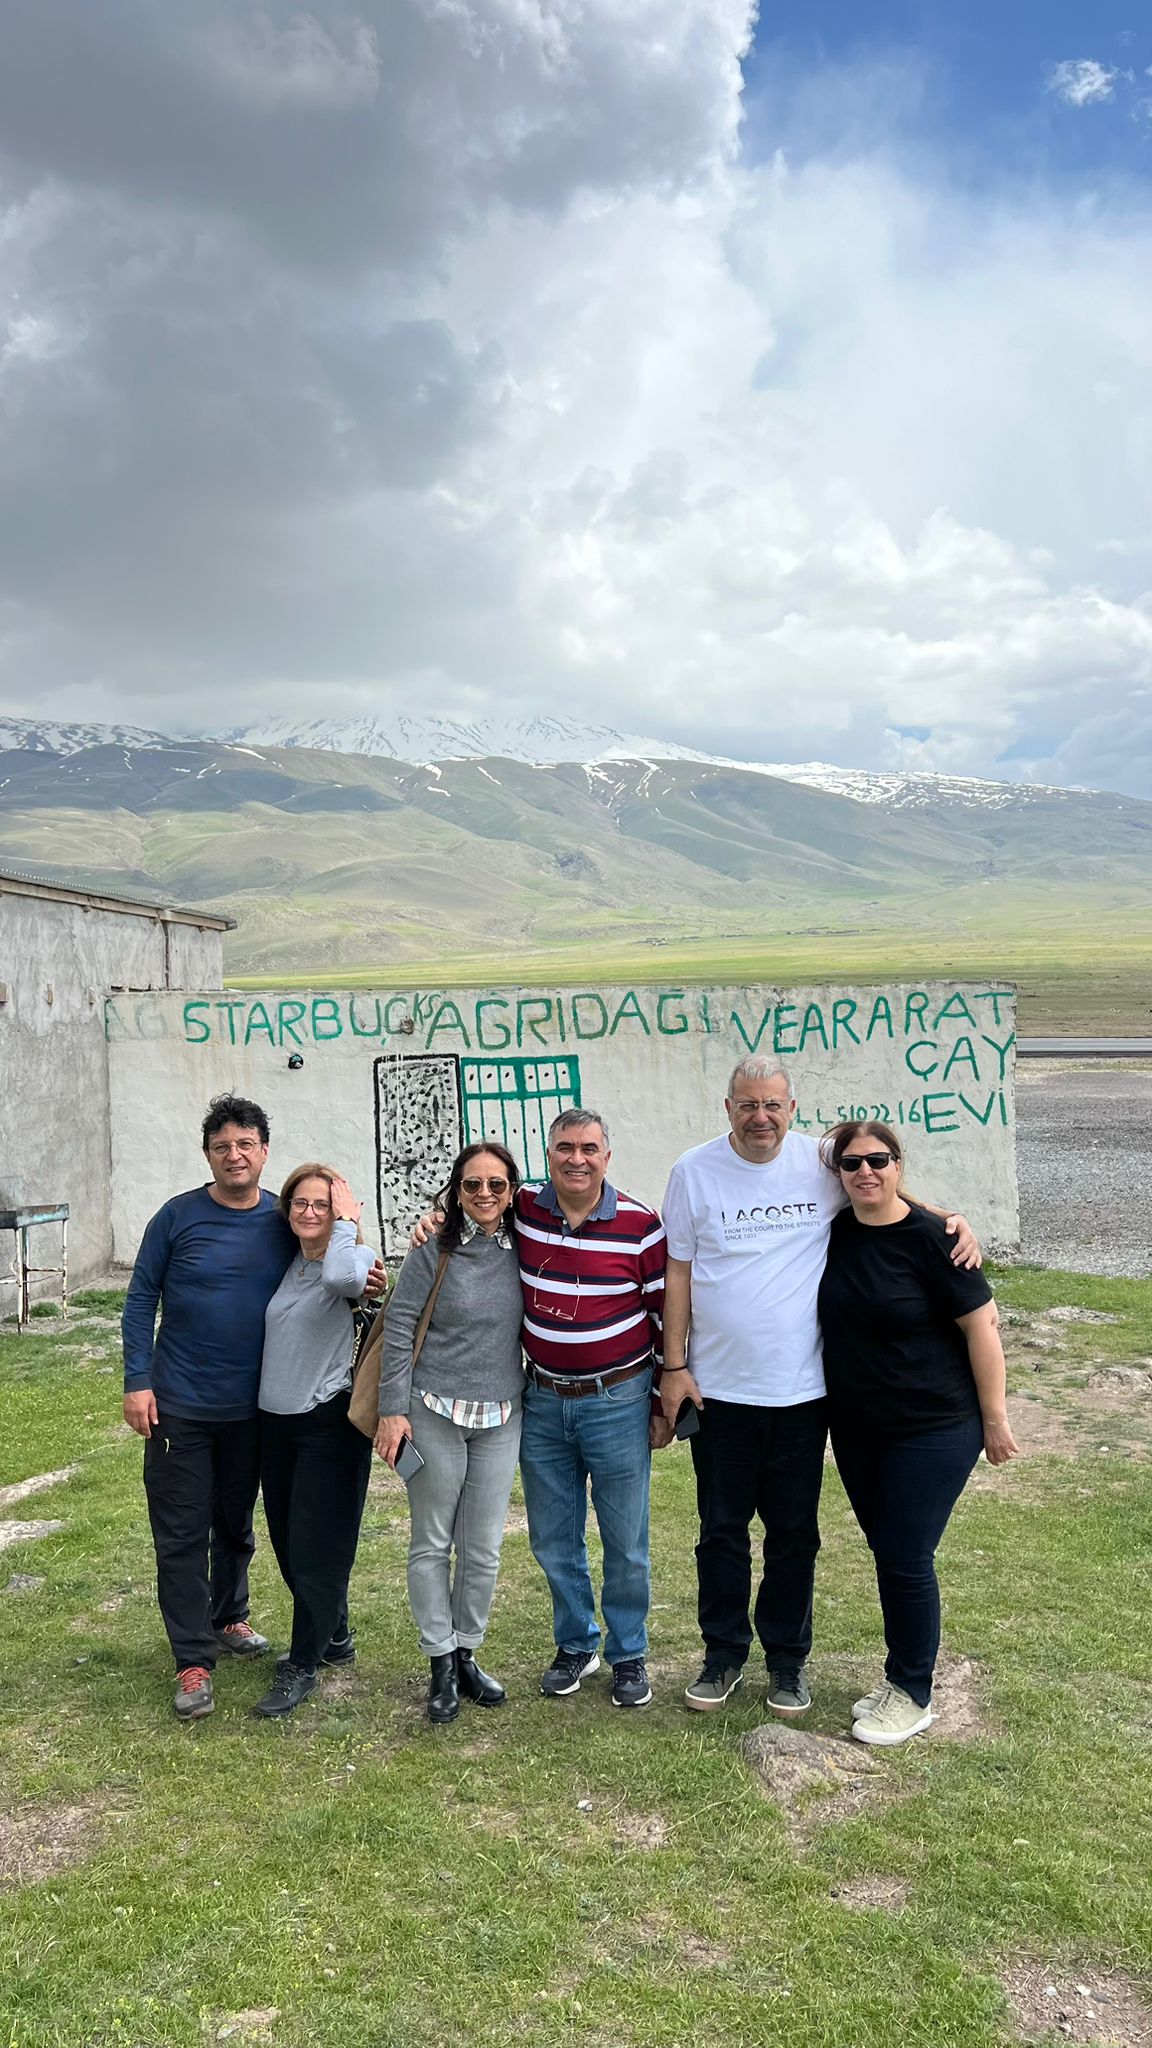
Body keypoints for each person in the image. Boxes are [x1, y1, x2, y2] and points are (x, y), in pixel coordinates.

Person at [660, 1056, 978, 1718]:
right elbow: (679, 1271)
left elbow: (883, 1183)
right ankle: (722, 1657)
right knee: (720, 1531)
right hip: (719, 1392)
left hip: (804, 1393)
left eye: (773, 1105)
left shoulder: (820, 1161)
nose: (761, 1118)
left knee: (793, 1535)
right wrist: (674, 1366)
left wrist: (948, 1217)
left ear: (793, 1109)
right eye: (747, 1105)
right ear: (727, 1109)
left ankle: (786, 1664)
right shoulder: (694, 1170)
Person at [121, 1095, 384, 1721]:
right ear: (208, 1155)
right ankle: (192, 1660)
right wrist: (138, 1380)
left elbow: (328, 1273)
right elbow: (139, 1298)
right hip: (180, 1406)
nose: (234, 1155)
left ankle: (230, 1617)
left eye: (245, 1144)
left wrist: (362, 1268)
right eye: (221, 1146)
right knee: (182, 1534)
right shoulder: (176, 1218)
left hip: (254, 1414)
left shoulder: (281, 1220)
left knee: (237, 1525)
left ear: (264, 1151)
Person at [412, 1108, 670, 1709]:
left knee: (624, 1537)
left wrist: (661, 1400)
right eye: (563, 1148)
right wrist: (435, 1218)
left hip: (618, 1398)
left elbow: (662, 1315)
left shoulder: (640, 1224)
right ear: (547, 1154)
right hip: (543, 1399)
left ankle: (629, 1653)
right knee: (554, 1538)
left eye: (588, 1148)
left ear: (607, 1154)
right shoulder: (525, 1208)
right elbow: (475, 1204)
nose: (575, 1159)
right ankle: (577, 1643)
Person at [817, 1120, 1018, 1745]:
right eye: (852, 1164)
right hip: (857, 1429)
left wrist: (995, 1419)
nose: (865, 1172)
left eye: (879, 1160)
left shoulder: (937, 1240)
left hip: (933, 1426)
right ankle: (901, 1672)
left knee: (906, 1557)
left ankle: (914, 1692)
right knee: (891, 1554)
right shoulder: (836, 1228)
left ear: (899, 1164)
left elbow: (982, 1328)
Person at [376, 1143, 525, 1726]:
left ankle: (467, 1650)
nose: (484, 1195)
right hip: (432, 1408)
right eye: (472, 1185)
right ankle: (438, 1660)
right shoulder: (432, 1249)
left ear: (513, 1189)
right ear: (454, 1191)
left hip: (500, 1416)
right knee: (433, 1542)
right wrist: (393, 1410)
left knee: (483, 1547)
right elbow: (399, 1329)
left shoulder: (527, 1246)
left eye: (496, 1185)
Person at [254, 1164, 377, 1719]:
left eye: (322, 1205)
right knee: (285, 1539)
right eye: (300, 1203)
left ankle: (302, 1663)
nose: (309, 1213)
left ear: (339, 1212)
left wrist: (349, 1223)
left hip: (326, 1420)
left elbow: (347, 1284)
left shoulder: (347, 1258)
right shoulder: (286, 1264)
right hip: (274, 1423)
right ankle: (335, 1633)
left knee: (315, 1548)